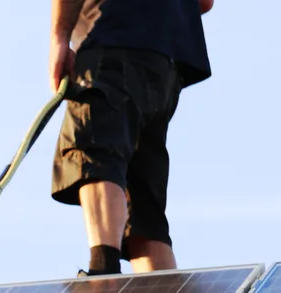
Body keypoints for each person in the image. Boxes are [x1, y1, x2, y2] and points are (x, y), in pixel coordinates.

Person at [49, 0, 215, 276]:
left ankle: (103, 273)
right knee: (143, 203)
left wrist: (59, 39)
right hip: (168, 61)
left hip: (111, 39)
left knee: (96, 152)